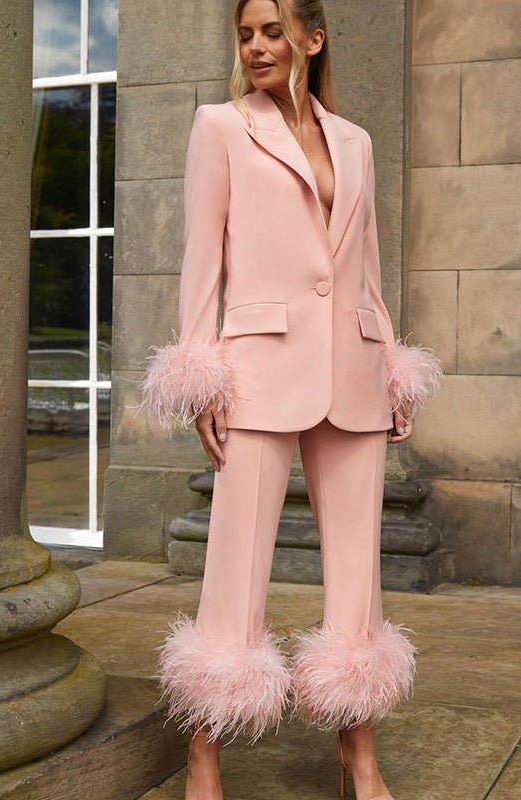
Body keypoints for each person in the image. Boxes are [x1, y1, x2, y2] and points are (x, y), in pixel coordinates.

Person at [141, 1, 441, 797]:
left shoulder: (356, 142)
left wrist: (392, 366)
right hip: (256, 371)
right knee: (234, 567)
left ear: (313, 37)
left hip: (354, 372)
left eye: (273, 31)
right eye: (246, 34)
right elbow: (201, 258)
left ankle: (358, 753)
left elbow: (367, 270)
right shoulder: (221, 127)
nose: (256, 46)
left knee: (359, 577)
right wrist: (199, 371)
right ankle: (204, 752)